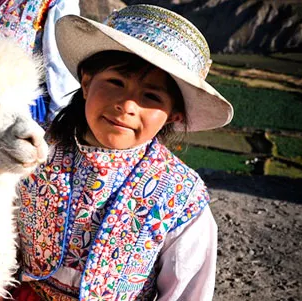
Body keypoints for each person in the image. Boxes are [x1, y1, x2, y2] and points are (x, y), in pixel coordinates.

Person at [14, 4, 233, 300]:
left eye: (151, 96)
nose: (127, 105)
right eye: (116, 83)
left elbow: (186, 293)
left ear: (174, 115)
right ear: (87, 83)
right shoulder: (35, 155)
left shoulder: (181, 200)